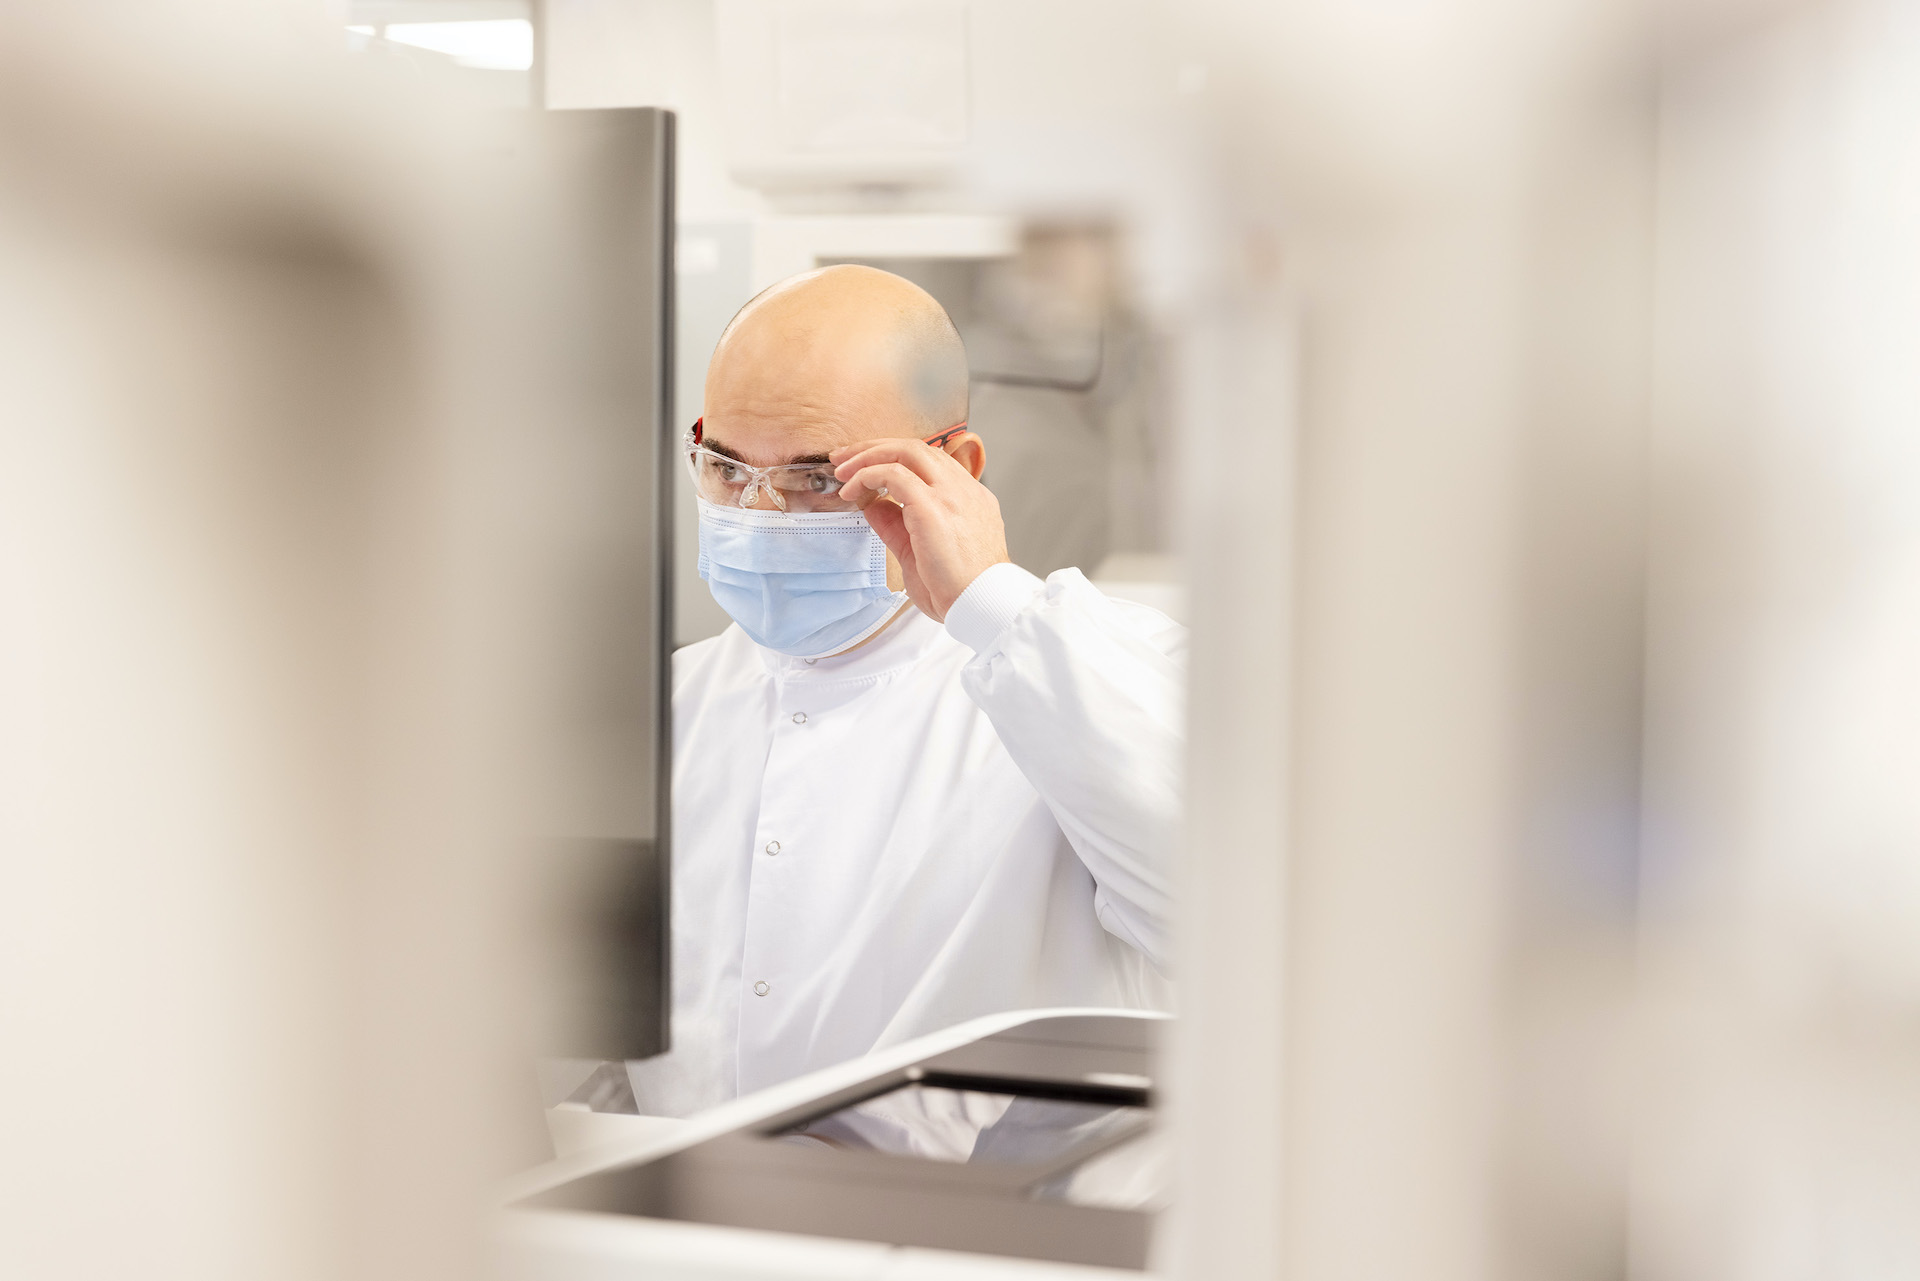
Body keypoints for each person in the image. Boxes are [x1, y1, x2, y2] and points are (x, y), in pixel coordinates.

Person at [627, 265, 1182, 1115]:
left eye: (819, 481)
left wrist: (992, 602)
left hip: (975, 1237)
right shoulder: (664, 708)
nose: (762, 512)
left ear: (954, 468)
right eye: (727, 469)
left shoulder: (1089, 680)